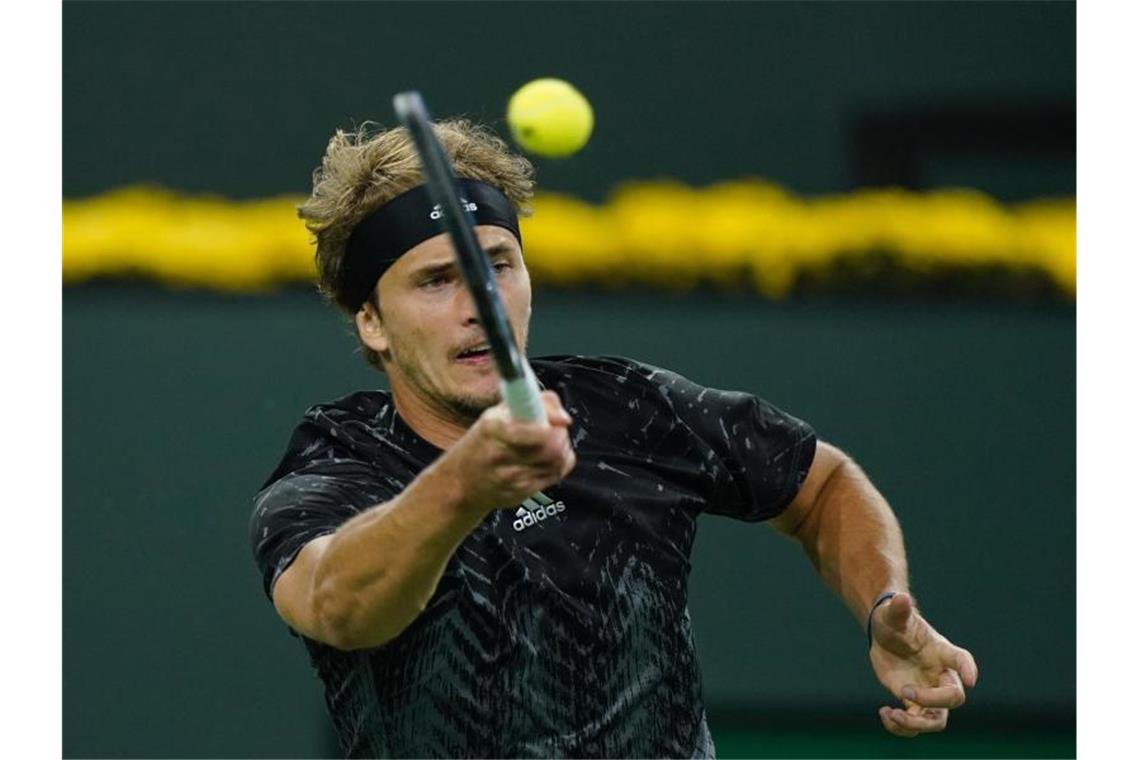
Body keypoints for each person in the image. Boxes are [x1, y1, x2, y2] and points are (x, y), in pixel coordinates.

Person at [250, 119, 979, 758]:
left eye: (498, 265)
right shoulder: (339, 459)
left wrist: (885, 605)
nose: (480, 304)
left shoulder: (628, 405)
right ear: (372, 322)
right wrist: (463, 485)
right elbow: (338, 606)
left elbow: (820, 486)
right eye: (438, 280)